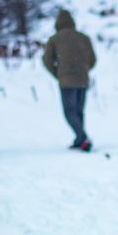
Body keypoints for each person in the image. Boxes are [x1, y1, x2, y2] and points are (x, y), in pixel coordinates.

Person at [43, 9, 97, 152]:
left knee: (69, 112)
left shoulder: (54, 39)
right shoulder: (83, 38)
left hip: (66, 81)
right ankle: (80, 140)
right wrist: (83, 70)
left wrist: (58, 73)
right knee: (79, 111)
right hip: (83, 79)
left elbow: (47, 60)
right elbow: (93, 59)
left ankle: (83, 137)